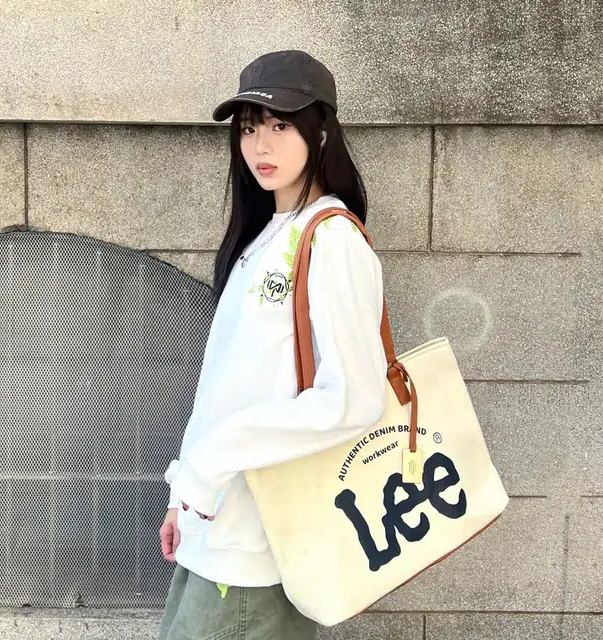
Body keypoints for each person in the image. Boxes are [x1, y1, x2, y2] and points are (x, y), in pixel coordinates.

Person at [157, 49, 388, 640]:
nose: (260, 145)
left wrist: (210, 465)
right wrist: (186, 491)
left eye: (281, 125)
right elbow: (227, 382)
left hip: (257, 544)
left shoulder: (331, 239)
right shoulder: (265, 237)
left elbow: (354, 399)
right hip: (219, 531)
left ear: (322, 131)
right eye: (249, 127)